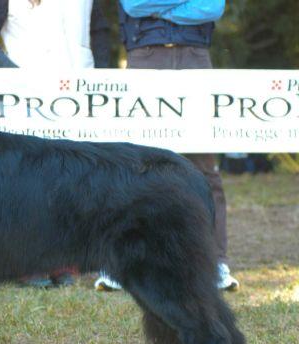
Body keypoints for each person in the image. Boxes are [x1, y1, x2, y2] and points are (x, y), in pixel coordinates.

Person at [94, 0, 239, 292]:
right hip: (145, 58)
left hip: (195, 58)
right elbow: (135, 6)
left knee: (205, 167)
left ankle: (216, 263)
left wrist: (160, 8)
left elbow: (211, 8)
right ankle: (122, 264)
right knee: (137, 168)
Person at [0, 0, 110, 287]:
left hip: (77, 94)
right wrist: (17, 77)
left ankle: (64, 260)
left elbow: (99, 30)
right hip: (27, 98)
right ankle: (28, 263)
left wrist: (101, 76)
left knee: (71, 179)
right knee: (29, 184)